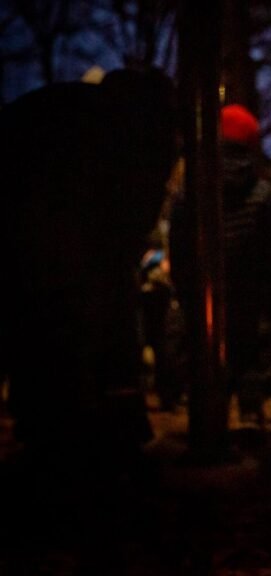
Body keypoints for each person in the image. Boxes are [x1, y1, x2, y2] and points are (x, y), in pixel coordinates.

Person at [0, 67, 178, 569]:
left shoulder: (53, 108)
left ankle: (52, 450)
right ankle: (76, 469)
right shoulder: (138, 132)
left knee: (38, 345)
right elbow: (133, 214)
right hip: (65, 251)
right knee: (71, 343)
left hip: (20, 242)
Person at [169, 104, 271, 430]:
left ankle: (207, 417)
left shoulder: (191, 190)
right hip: (248, 288)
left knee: (203, 352)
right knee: (248, 351)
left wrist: (183, 283)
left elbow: (179, 243)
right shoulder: (261, 192)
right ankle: (249, 415)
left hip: (201, 287)